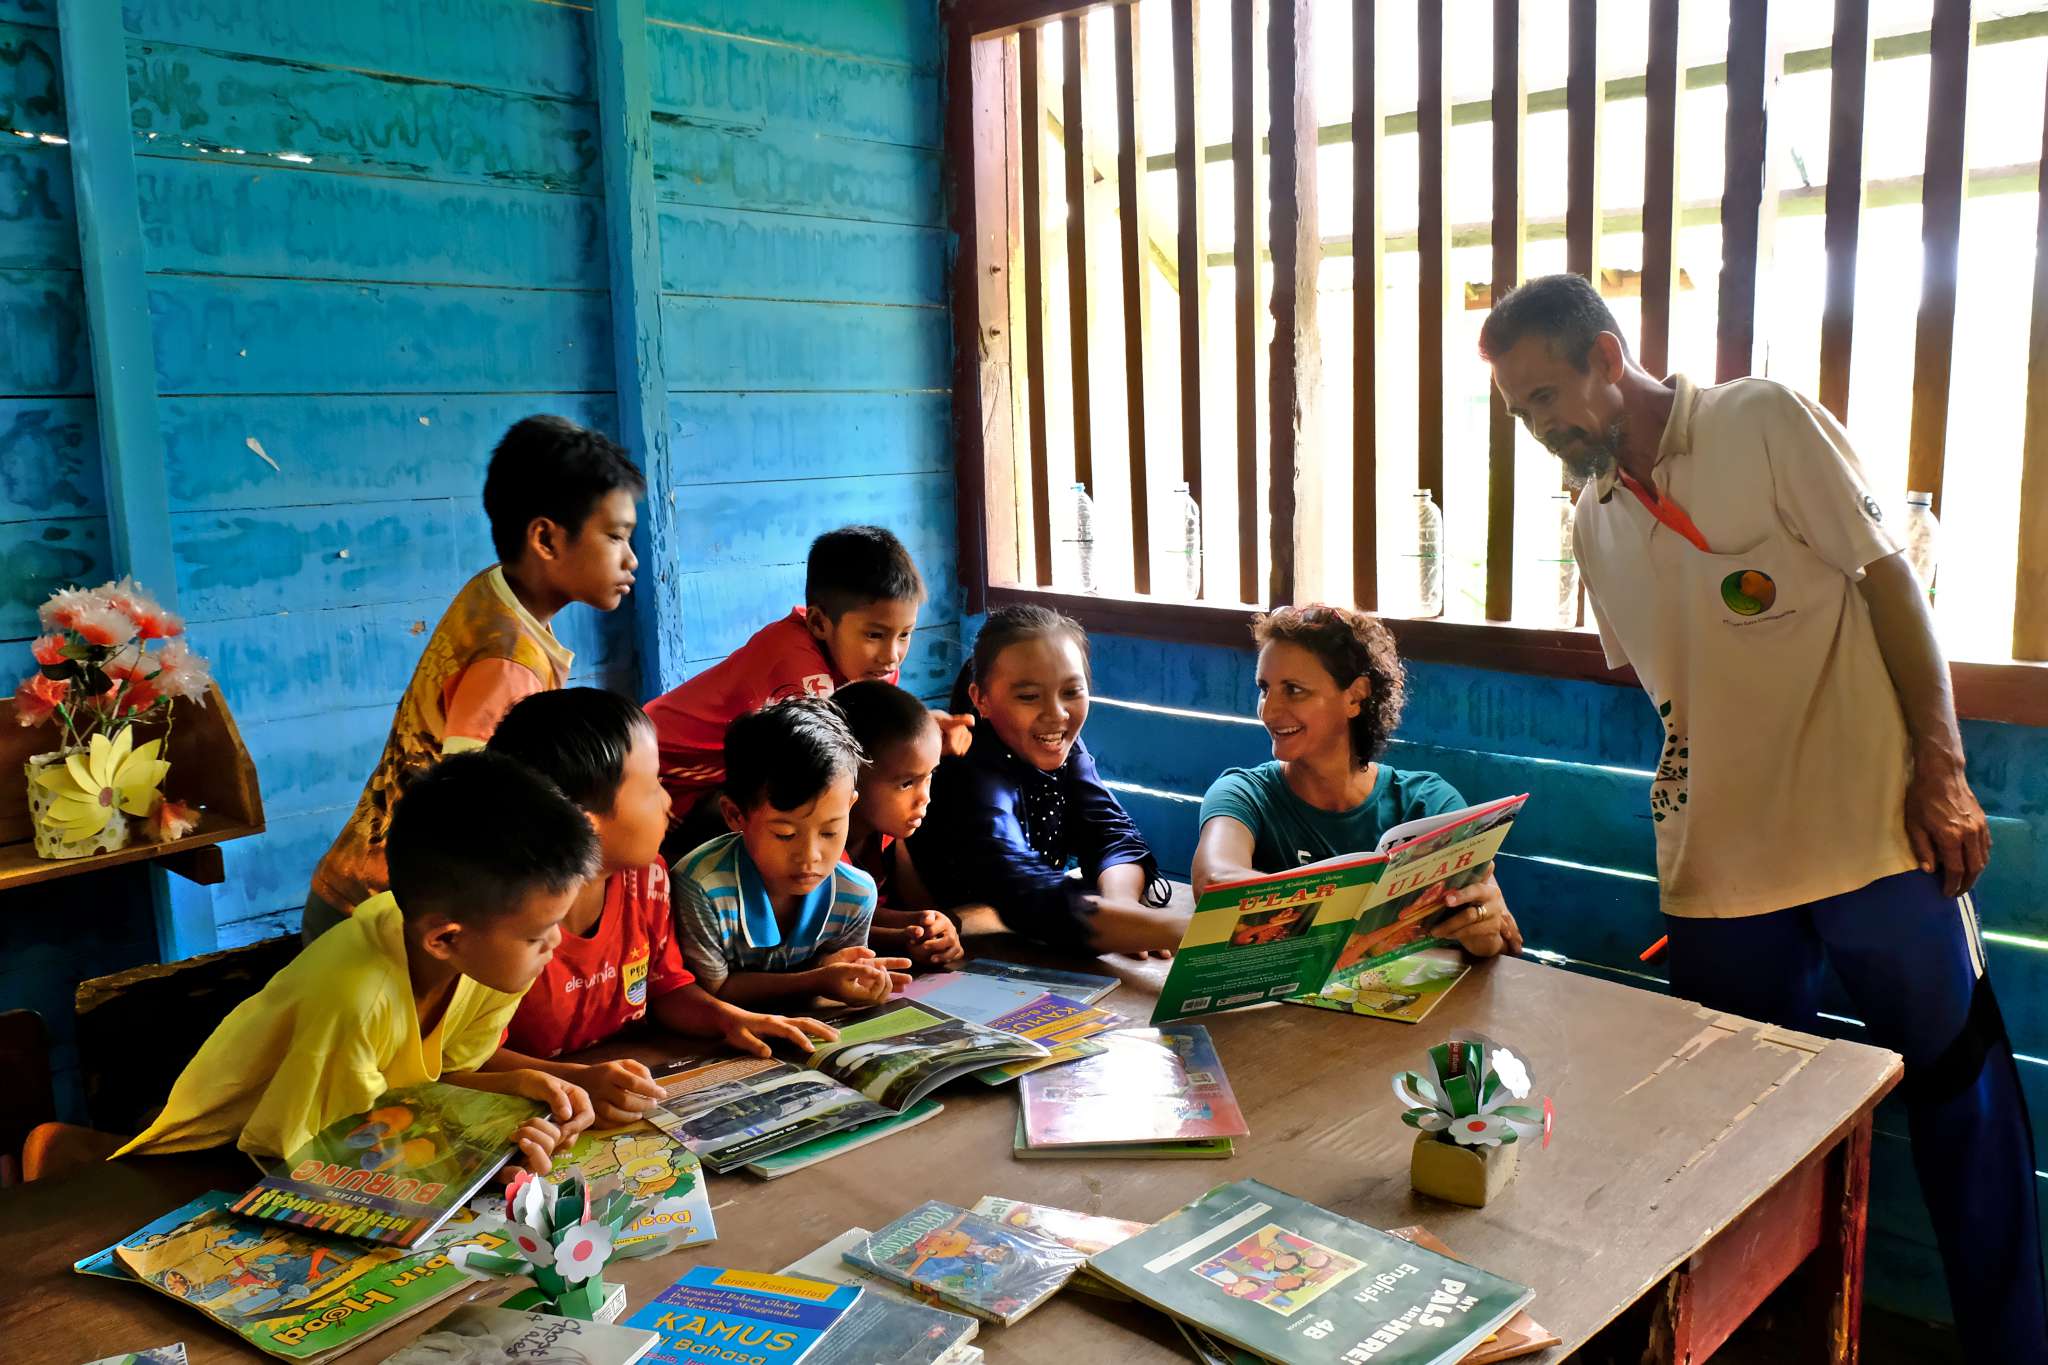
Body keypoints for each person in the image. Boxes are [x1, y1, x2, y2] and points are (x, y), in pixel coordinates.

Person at [1482, 271, 2045, 1360]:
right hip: (1720, 870)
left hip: (1872, 835)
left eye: (1546, 395)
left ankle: (2011, 1348)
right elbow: (1673, 682)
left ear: (1608, 356)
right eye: (1519, 411)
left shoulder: (1763, 419)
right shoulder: (1595, 519)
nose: (1539, 426)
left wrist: (1941, 771)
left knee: (1961, 1094)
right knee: (1736, 1132)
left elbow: (1890, 586)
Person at [115, 752, 600, 1170]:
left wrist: (518, 1090)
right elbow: (331, 1157)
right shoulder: (357, 1000)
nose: (555, 942)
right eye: (536, 935)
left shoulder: (481, 957)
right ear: (444, 939)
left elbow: (434, 1085)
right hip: (210, 1164)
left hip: (339, 1133)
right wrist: (476, 1162)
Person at [302, 415, 644, 942]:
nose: (631, 559)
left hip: (388, 902)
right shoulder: (507, 662)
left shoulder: (496, 594)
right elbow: (476, 813)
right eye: (615, 536)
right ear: (545, 539)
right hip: (387, 920)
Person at [484, 689, 837, 1124]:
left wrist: (731, 1020)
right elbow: (470, 1058)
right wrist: (575, 1079)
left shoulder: (646, 878)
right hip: (533, 1115)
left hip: (624, 1074)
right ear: (584, 822)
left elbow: (665, 987)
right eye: (654, 785)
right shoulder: (502, 921)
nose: (669, 802)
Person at [1189, 604, 1521, 958]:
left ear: (1355, 697)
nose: (1268, 711)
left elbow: (1500, 934)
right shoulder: (1243, 794)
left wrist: (1484, 933)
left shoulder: (1429, 802)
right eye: (1264, 688)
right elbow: (1215, 882)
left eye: (1294, 690)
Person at [644, 526, 971, 862]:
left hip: (718, 776)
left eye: (904, 635)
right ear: (818, 623)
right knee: (777, 808)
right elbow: (820, 769)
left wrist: (924, 730)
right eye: (875, 635)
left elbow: (874, 737)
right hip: (663, 777)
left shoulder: (874, 667)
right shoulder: (793, 662)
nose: (892, 655)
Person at [906, 604, 1186, 955]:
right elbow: (1027, 891)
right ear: (981, 699)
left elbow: (1111, 834)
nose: (1056, 714)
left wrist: (1126, 913)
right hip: (936, 956)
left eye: (1071, 692)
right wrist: (1174, 930)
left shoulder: (1060, 747)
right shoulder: (971, 769)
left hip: (1014, 940)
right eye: (1028, 696)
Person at [672, 697, 912, 1006]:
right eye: (785, 835)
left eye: (829, 831)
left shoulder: (855, 894)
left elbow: (839, 976)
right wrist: (816, 979)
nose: (810, 855)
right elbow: (715, 990)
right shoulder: (702, 888)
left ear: (850, 807)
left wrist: (844, 974)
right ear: (735, 815)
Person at [829, 679, 965, 970]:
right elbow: (839, 921)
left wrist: (936, 927)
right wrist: (908, 932)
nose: (925, 798)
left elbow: (917, 904)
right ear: (849, 777)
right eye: (906, 783)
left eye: (929, 776)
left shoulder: (885, 832)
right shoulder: (818, 842)